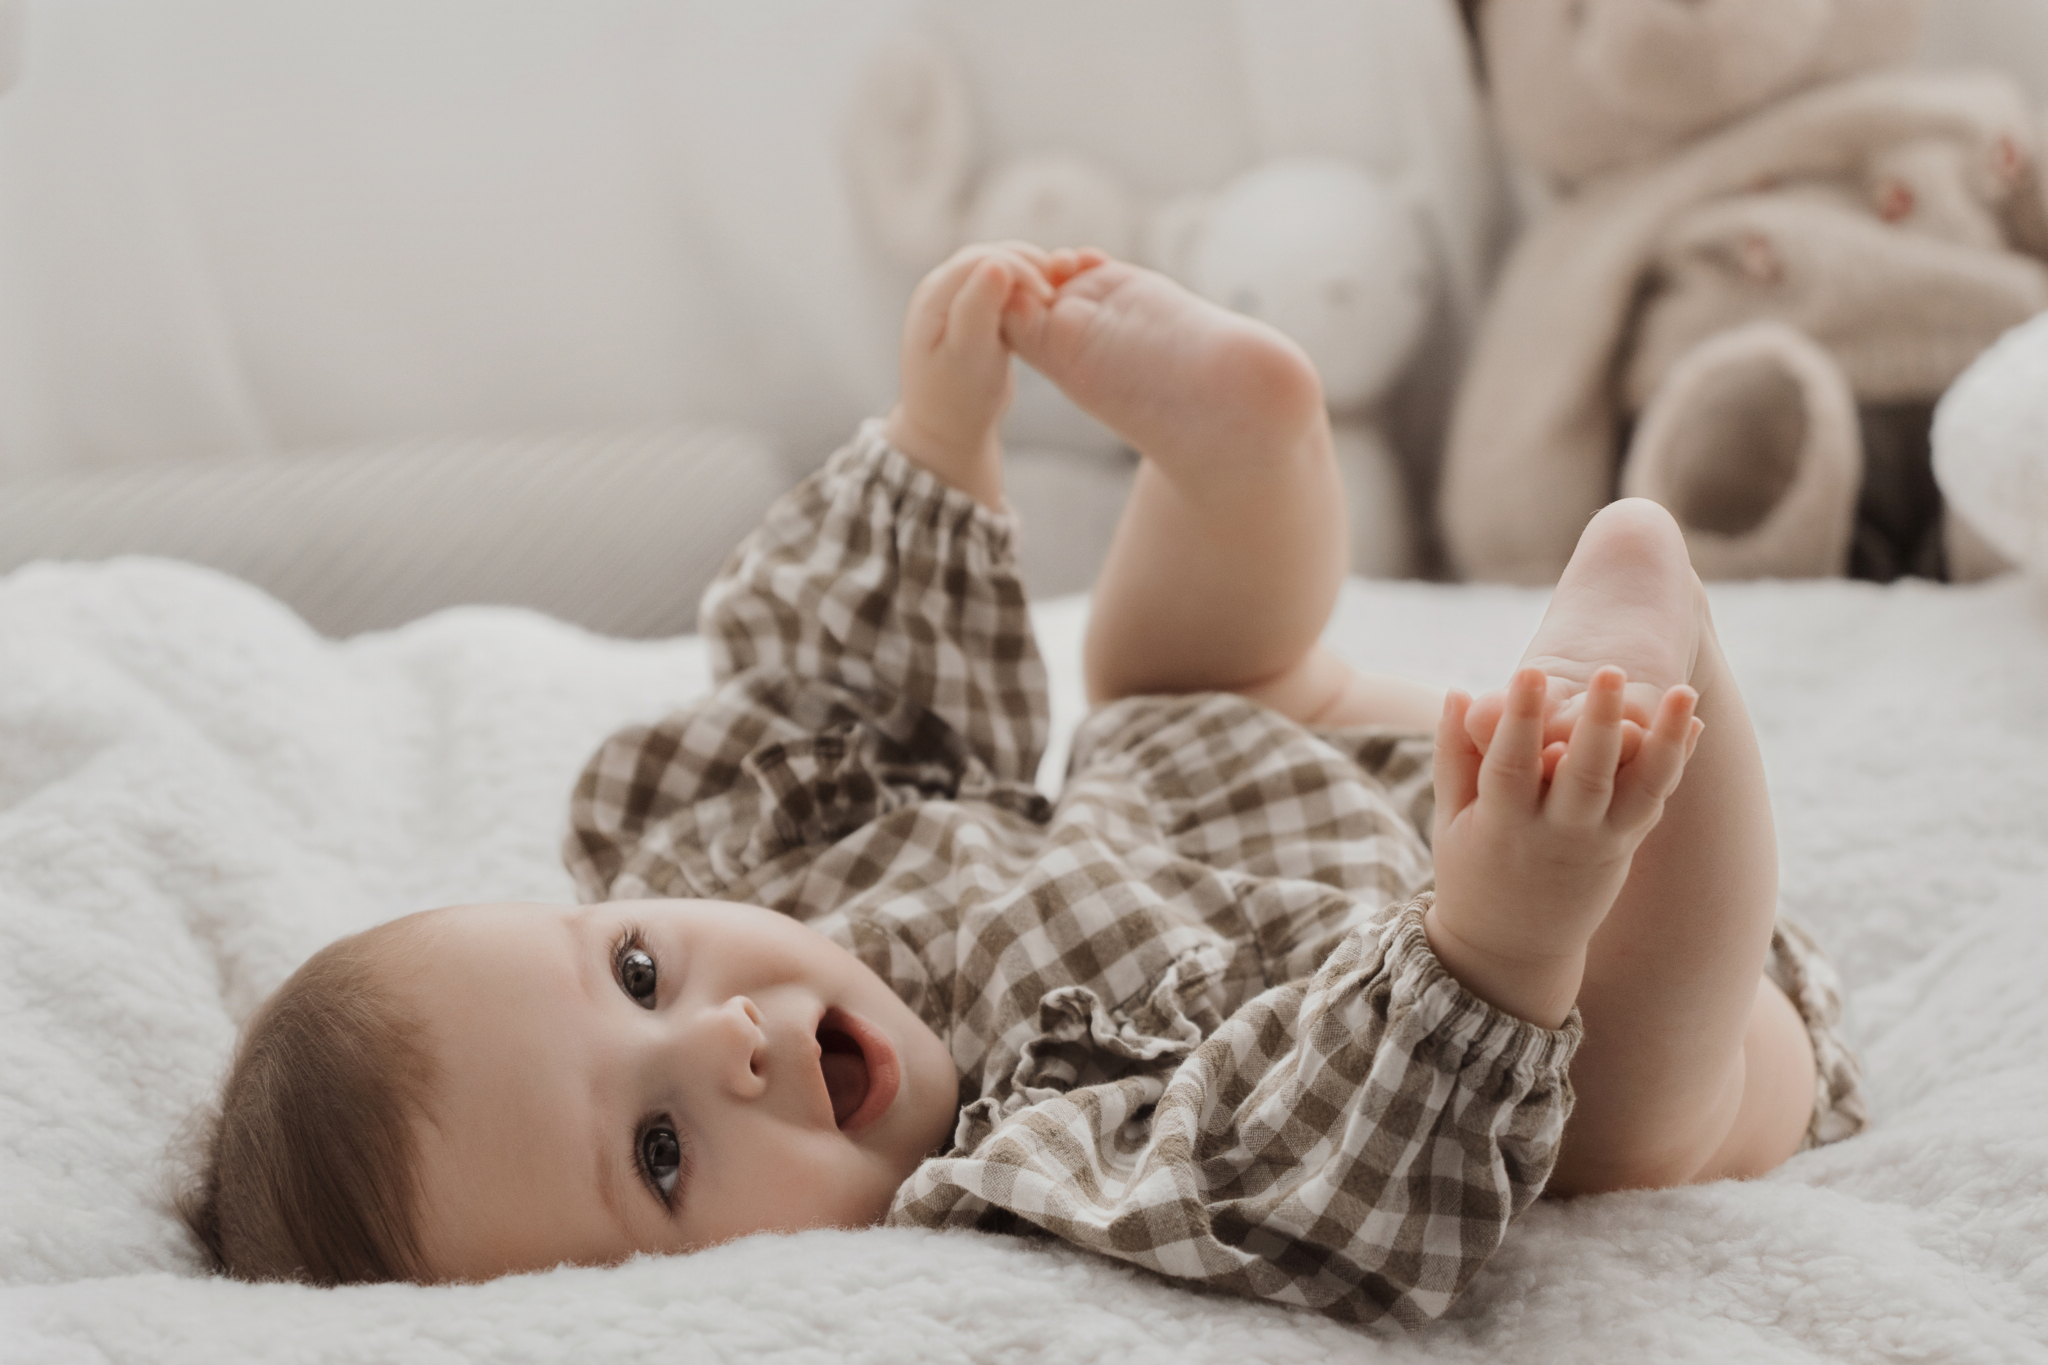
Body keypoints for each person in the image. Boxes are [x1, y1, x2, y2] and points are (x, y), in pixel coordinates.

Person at [180, 243, 1865, 1326]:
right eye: (665, 1151)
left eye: (635, 967)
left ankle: (1244, 446)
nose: (723, 1034)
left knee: (1169, 673)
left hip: (1288, 781)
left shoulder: (788, 868)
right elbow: (1314, 1178)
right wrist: (1496, 939)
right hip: (1540, 979)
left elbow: (835, 692)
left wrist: (938, 443)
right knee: (1621, 1133)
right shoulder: (1041, 1182)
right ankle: (1651, 688)